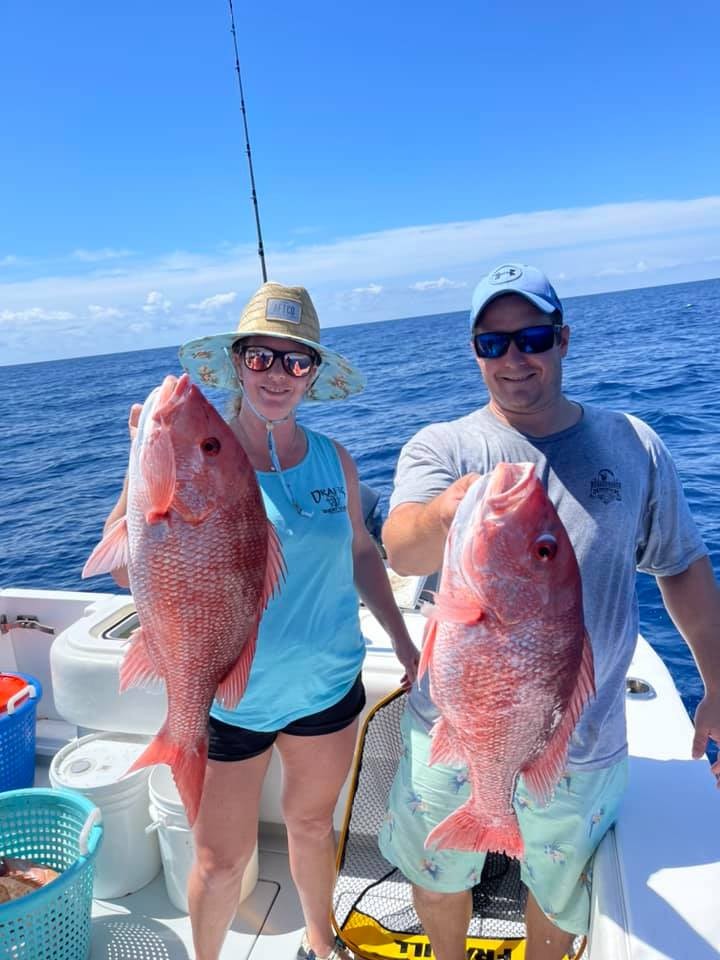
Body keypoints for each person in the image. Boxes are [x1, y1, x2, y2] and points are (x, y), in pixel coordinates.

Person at [378, 263, 720, 960]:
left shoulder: (632, 444)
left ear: (563, 339)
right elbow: (402, 551)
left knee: (560, 894)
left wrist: (717, 681)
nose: (514, 358)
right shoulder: (442, 446)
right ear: (474, 351)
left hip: (585, 739)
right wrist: (448, 512)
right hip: (455, 725)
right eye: (492, 342)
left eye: (531, 336)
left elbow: (681, 565)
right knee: (437, 876)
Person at [104, 281, 420, 960]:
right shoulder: (189, 454)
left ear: (313, 374)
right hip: (226, 698)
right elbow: (127, 570)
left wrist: (402, 640)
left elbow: (363, 553)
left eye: (296, 361)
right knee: (219, 862)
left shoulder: (337, 460)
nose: (278, 375)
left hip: (328, 690)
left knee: (310, 826)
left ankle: (318, 942)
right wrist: (142, 467)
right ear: (238, 363)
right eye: (262, 357)